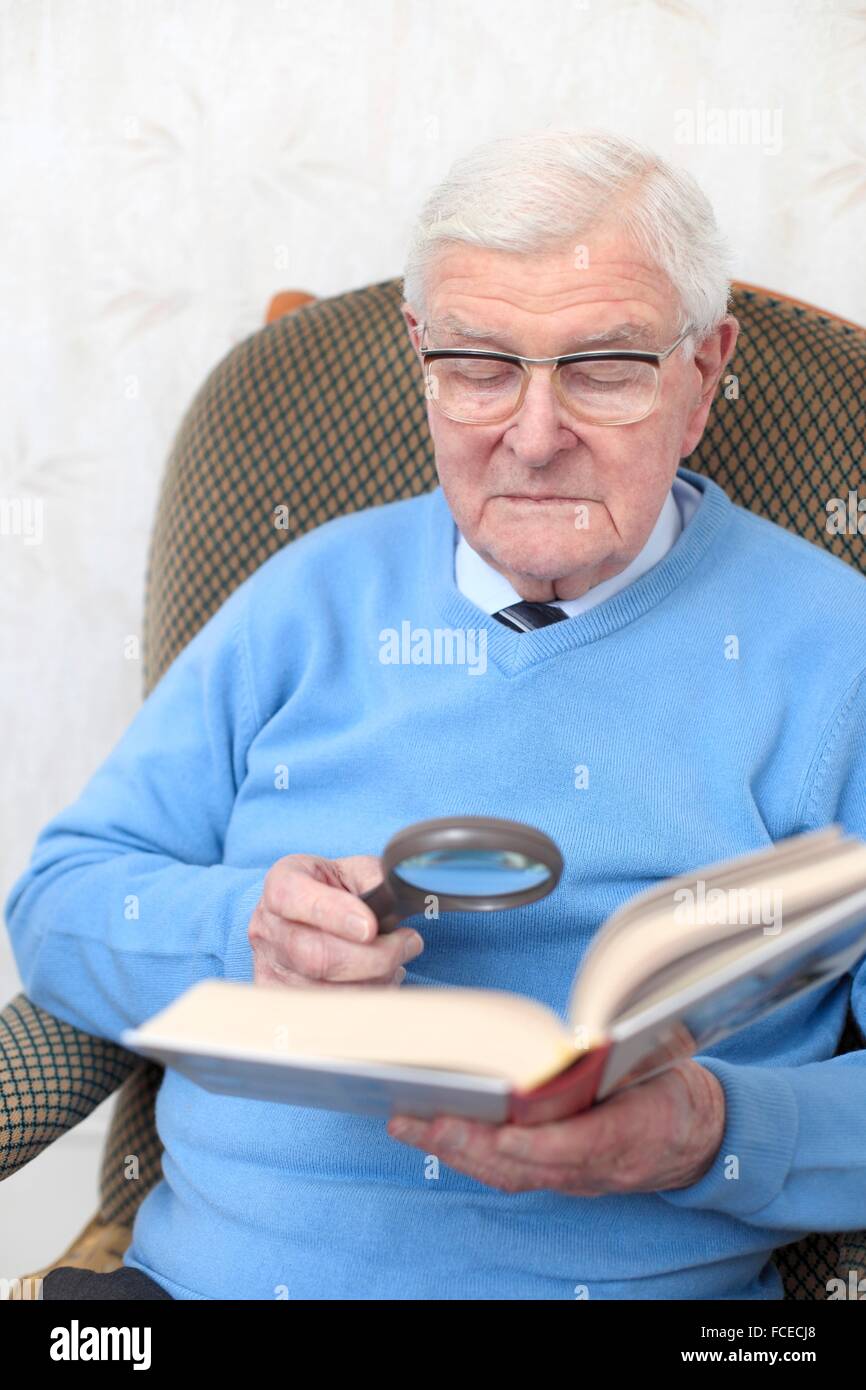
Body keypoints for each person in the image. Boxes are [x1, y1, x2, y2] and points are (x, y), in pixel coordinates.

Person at [7, 128, 866, 1301]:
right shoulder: (306, 595)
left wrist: (707, 1127)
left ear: (705, 374)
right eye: (477, 364)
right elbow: (57, 906)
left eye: (603, 366)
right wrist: (245, 934)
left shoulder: (835, 650)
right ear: (419, 356)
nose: (533, 433)